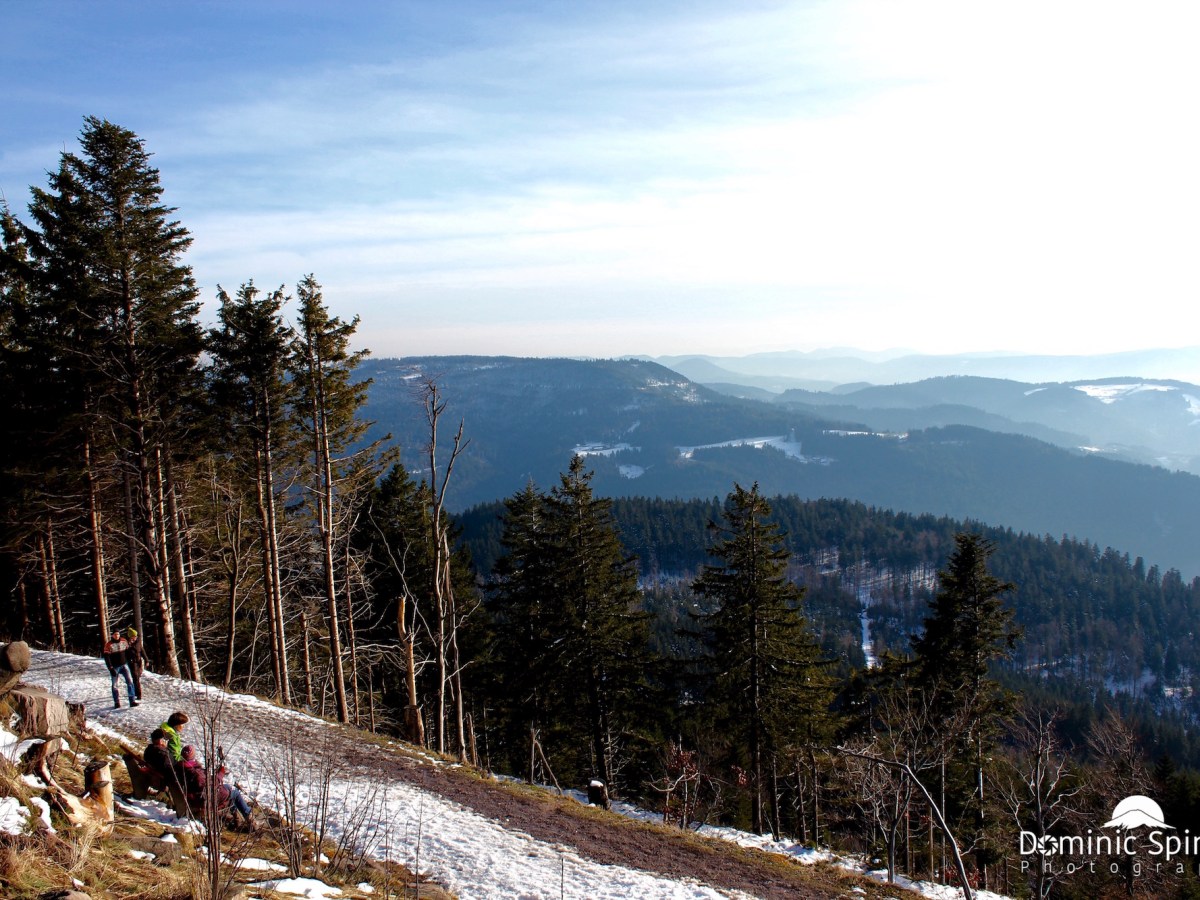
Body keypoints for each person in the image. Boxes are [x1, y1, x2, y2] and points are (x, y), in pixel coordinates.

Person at [102, 630, 139, 709]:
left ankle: (132, 700)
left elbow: (127, 651)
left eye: (118, 634)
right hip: (115, 667)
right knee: (115, 685)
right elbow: (107, 657)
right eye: (115, 634)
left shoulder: (124, 641)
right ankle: (116, 702)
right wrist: (110, 668)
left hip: (124, 665)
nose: (117, 636)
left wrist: (131, 658)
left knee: (130, 682)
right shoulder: (108, 645)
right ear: (112, 635)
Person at [126, 626, 148, 701]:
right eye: (133, 636)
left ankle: (136, 691)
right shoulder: (127, 644)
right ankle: (138, 694)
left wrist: (146, 660)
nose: (134, 637)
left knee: (137, 676)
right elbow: (125, 654)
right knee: (135, 678)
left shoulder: (138, 643)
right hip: (132, 663)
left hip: (138, 662)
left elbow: (142, 651)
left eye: (135, 636)